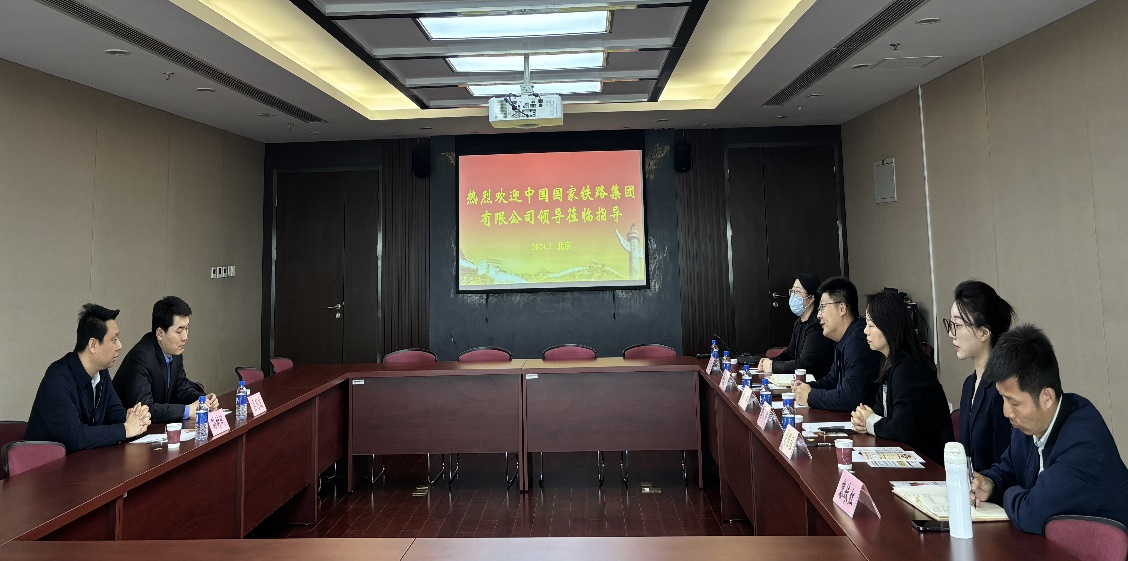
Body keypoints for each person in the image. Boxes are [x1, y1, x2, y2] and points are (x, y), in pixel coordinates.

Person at [970, 325, 1128, 534]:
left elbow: (1031, 513)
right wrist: (991, 484)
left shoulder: (1084, 442)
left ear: (1047, 397)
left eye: (1014, 403)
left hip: (1100, 547)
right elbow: (1008, 469)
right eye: (1003, 399)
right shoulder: (1027, 426)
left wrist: (1007, 493)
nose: (1006, 412)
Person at [26, 304, 151, 452]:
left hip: (83, 461)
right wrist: (126, 429)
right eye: (114, 340)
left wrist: (133, 417)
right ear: (93, 345)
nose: (120, 346)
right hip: (44, 463)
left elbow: (114, 414)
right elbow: (76, 437)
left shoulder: (101, 373)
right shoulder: (58, 379)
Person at [850, 290, 953, 463]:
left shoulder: (908, 369)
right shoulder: (890, 362)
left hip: (928, 463)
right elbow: (881, 409)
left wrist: (870, 421)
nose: (865, 331)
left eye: (871, 325)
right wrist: (863, 418)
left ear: (888, 326)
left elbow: (901, 428)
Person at [114, 296, 218, 424]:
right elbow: (145, 409)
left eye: (187, 328)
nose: (185, 337)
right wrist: (188, 410)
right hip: (126, 430)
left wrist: (203, 400)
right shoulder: (141, 358)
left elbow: (181, 389)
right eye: (179, 331)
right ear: (160, 333)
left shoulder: (174, 351)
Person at [948, 280, 1016, 472]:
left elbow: (1006, 462)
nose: (951, 333)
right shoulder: (969, 384)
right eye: (951, 324)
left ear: (984, 332)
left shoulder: (1002, 387)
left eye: (958, 325)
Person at [793, 277, 880, 412]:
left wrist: (810, 396)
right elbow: (832, 380)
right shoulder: (846, 337)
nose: (818, 315)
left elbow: (850, 398)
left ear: (842, 308)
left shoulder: (859, 340)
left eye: (822, 307)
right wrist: (806, 387)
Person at [757, 273, 833, 378]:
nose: (793, 295)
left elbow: (805, 364)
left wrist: (772, 366)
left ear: (811, 298)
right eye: (792, 291)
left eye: (797, 291)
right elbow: (790, 354)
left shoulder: (817, 325)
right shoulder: (799, 322)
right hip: (800, 380)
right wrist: (770, 361)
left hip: (816, 381)